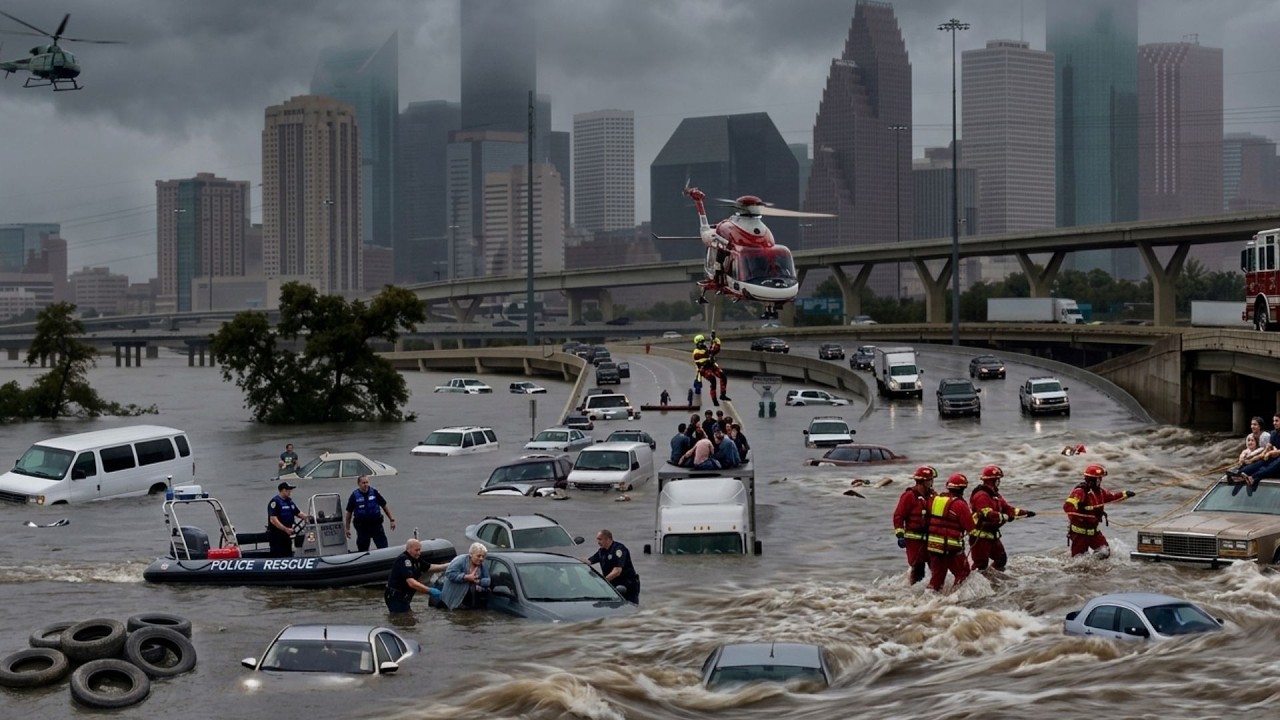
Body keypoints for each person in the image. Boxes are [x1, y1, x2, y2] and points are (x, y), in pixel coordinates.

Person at [968, 465, 1035, 573]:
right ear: (993, 480)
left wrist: (1025, 513)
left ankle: (992, 579)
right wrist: (1003, 516)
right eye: (998, 479)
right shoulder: (981, 495)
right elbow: (986, 513)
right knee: (980, 565)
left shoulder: (995, 495)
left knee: (1001, 559)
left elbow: (1007, 509)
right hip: (979, 536)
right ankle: (972, 581)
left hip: (992, 535)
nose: (999, 482)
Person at [1063, 464, 1134, 558]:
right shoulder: (1080, 491)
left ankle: (1095, 566)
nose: (1100, 481)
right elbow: (1067, 507)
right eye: (1099, 478)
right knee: (1079, 560)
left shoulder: (1100, 491)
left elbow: (1112, 497)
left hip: (1094, 532)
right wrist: (1080, 508)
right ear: (1092, 479)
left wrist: (1125, 494)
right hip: (1079, 534)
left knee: (1104, 552)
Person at [926, 473, 977, 592]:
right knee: (963, 573)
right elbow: (970, 527)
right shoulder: (960, 504)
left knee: (937, 578)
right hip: (951, 547)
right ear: (962, 488)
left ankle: (928, 597)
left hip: (933, 545)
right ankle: (955, 597)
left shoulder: (935, 500)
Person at [892, 466, 937, 585]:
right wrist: (900, 535)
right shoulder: (909, 496)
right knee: (918, 569)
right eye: (930, 480)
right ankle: (913, 592)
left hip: (931, 538)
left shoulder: (933, 496)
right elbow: (899, 516)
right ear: (922, 481)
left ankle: (935, 591)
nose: (932, 482)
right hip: (914, 541)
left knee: (936, 568)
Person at [384, 539, 448, 613]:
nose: (419, 553)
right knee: (402, 618)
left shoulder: (416, 559)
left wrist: (450, 565)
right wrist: (430, 590)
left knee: (407, 616)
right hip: (395, 596)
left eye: (419, 550)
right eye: (416, 550)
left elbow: (431, 567)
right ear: (409, 549)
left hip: (405, 596)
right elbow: (411, 583)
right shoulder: (404, 560)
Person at [582, 529, 640, 603]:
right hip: (613, 586)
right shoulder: (602, 551)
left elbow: (617, 571)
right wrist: (575, 559)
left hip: (627, 586)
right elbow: (589, 561)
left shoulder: (619, 549)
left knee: (628, 607)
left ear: (608, 539)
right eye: (597, 539)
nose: (598, 542)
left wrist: (603, 582)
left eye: (600, 539)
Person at [344, 475, 397, 551]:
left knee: (383, 546)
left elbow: (384, 505)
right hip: (362, 526)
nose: (366, 485)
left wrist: (392, 520)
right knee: (363, 548)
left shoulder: (374, 492)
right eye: (363, 483)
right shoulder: (354, 496)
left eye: (367, 482)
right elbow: (349, 513)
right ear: (359, 484)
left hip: (376, 524)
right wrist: (347, 528)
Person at [440, 543, 492, 610]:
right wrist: (465, 577)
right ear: (471, 554)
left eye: (483, 556)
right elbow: (449, 574)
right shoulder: (460, 561)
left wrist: (478, 581)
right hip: (453, 599)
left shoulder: (482, 565)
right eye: (478, 556)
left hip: (471, 600)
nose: (481, 558)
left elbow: (488, 581)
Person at [266, 481, 308, 558]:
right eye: (288, 490)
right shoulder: (275, 502)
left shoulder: (289, 502)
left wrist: (310, 518)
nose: (290, 492)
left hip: (287, 533)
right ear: (283, 490)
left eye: (290, 490)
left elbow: (298, 513)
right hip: (277, 534)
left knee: (288, 552)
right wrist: (285, 529)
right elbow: (273, 519)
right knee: (278, 554)